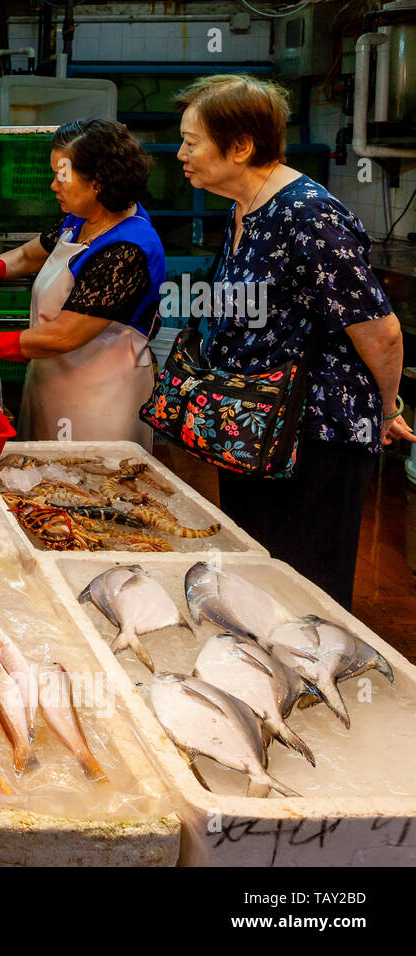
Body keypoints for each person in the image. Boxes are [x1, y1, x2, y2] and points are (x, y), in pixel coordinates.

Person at [171, 74, 412, 609]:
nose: (181, 152)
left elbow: (383, 332)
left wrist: (385, 406)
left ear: (240, 146)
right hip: (255, 430)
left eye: (192, 141)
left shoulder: (308, 216)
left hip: (314, 436)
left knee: (306, 589)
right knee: (257, 575)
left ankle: (311, 686)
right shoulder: (243, 209)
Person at [0, 118, 166, 447]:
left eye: (62, 176)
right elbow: (28, 256)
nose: (53, 186)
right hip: (54, 383)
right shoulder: (81, 219)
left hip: (100, 403)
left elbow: (62, 336)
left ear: (98, 183)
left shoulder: (127, 250)